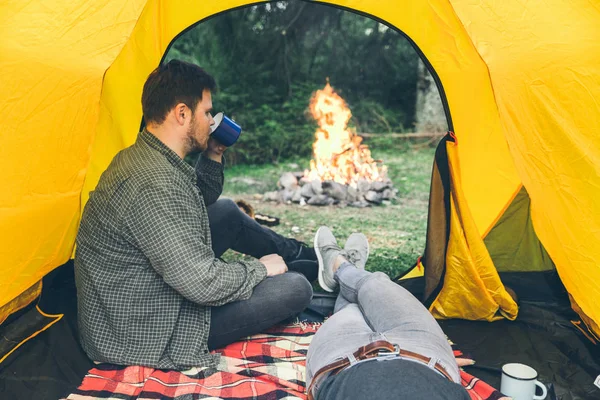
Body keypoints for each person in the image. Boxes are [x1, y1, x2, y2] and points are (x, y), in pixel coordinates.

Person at [74, 60, 314, 370]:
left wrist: (213, 152)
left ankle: (304, 257)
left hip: (141, 294)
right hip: (146, 330)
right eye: (206, 112)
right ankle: (303, 266)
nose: (211, 120)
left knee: (227, 211)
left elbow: (196, 200)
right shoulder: (153, 185)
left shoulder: (148, 157)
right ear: (183, 114)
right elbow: (201, 283)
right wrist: (259, 270)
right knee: (295, 288)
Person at [306, 226, 470, 400]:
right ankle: (346, 269)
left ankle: (339, 265)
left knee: (353, 306)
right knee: (375, 284)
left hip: (340, 364)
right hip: (426, 356)